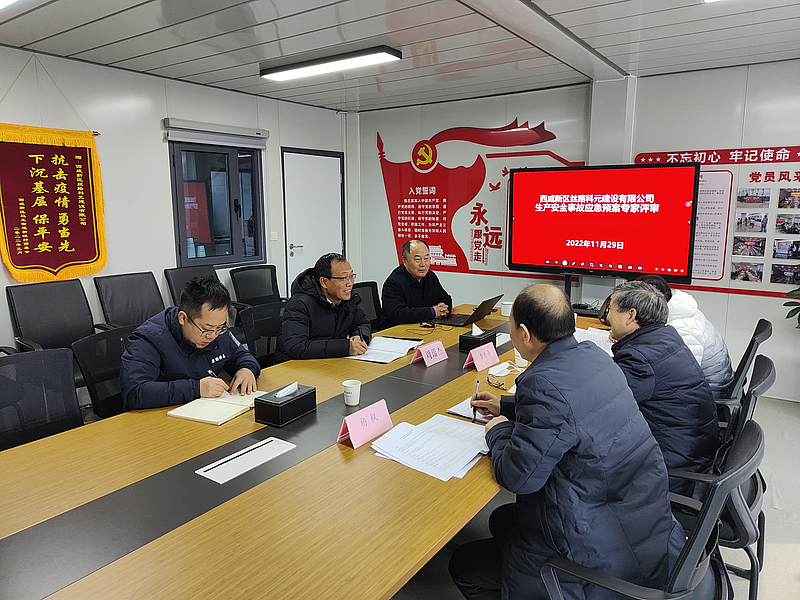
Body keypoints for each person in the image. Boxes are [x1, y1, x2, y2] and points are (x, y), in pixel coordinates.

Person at [449, 284, 682, 600]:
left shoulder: (542, 383)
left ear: (525, 334)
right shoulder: (595, 356)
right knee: (502, 520)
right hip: (640, 522)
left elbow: (518, 478)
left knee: (463, 565)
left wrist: (498, 430)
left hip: (593, 549)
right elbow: (570, 412)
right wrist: (505, 406)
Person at [606, 281, 720, 486]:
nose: (607, 316)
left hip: (672, 468)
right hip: (693, 449)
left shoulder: (640, 359)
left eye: (610, 309)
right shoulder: (666, 337)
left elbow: (603, 405)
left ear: (631, 316)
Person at [120, 276, 260, 411]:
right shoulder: (148, 338)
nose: (212, 336)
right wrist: (196, 388)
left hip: (207, 410)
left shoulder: (217, 330)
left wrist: (247, 369)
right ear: (182, 318)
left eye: (220, 327)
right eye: (206, 329)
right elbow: (135, 392)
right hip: (161, 417)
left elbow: (241, 355)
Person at [637, 274, 733, 397]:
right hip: (714, 381)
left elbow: (682, 376)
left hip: (710, 392)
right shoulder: (681, 310)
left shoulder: (681, 329)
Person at [275, 252, 371, 361]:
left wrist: (358, 337)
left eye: (351, 276)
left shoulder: (347, 299)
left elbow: (362, 323)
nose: (350, 283)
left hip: (330, 360)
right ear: (324, 282)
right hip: (294, 365)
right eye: (344, 278)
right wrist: (346, 347)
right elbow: (296, 347)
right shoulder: (299, 304)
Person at [381, 239, 453, 327]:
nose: (423, 264)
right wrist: (432, 312)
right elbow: (398, 314)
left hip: (423, 328)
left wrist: (443, 308)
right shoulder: (393, 283)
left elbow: (446, 298)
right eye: (418, 259)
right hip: (397, 332)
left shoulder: (430, 277)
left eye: (426, 258)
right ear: (404, 260)